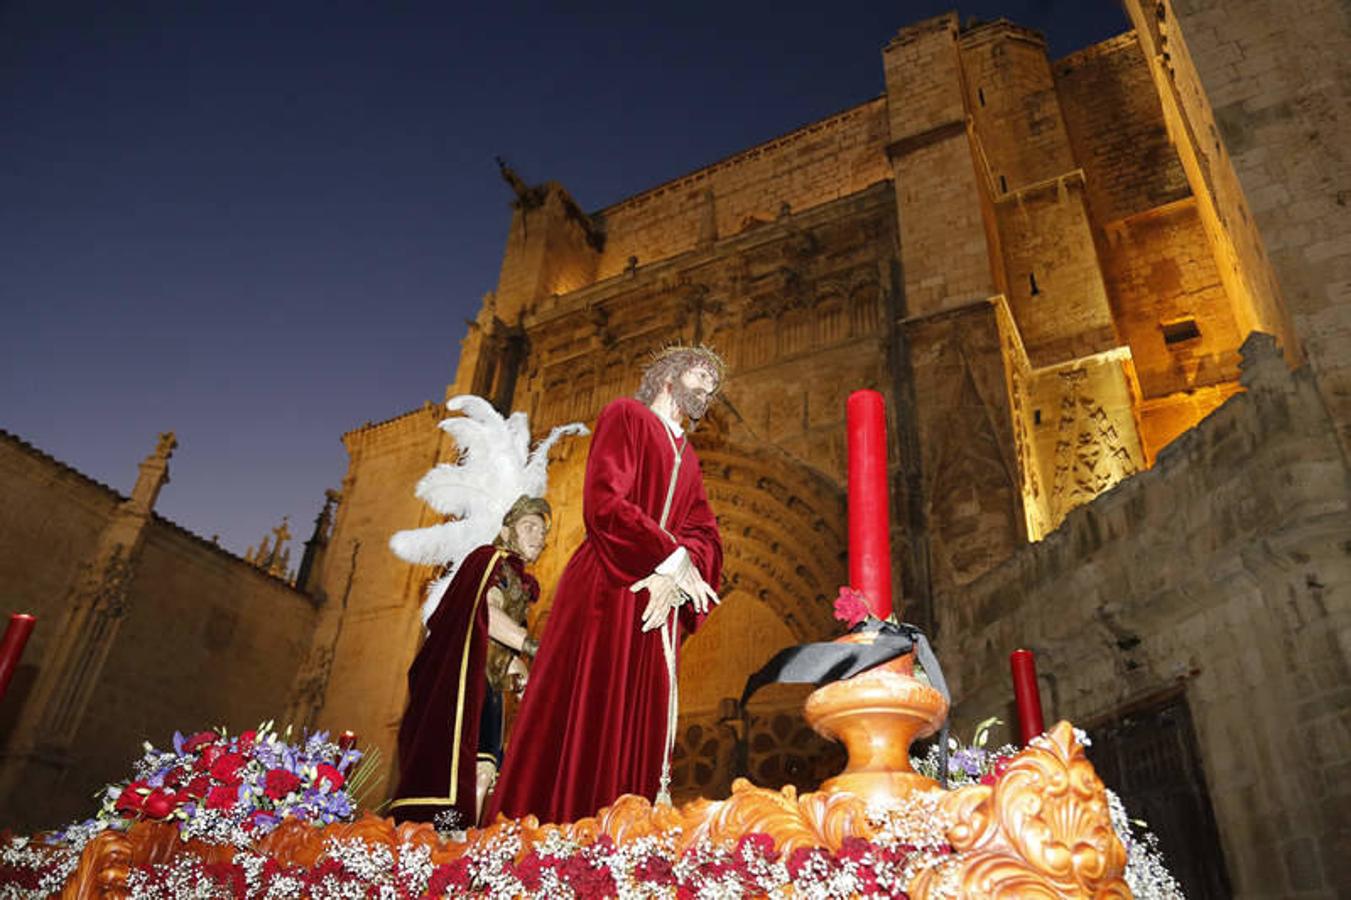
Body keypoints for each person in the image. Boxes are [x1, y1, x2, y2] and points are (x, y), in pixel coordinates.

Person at [485, 345, 725, 825]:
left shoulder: (689, 457)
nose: (708, 388)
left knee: (641, 723)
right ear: (669, 375)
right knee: (587, 711)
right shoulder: (625, 415)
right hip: (607, 585)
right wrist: (668, 558)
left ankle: (622, 843)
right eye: (701, 375)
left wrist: (677, 579)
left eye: (714, 386)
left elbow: (707, 535)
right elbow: (604, 503)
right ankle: (551, 838)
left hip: (656, 607)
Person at [390, 495, 550, 830]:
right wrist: (537, 647)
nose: (539, 536)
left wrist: (523, 676)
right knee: (471, 768)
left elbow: (499, 645)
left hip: (488, 680)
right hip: (466, 681)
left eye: (543, 530)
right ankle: (448, 836)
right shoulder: (490, 561)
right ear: (507, 531)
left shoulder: (515, 577)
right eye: (529, 526)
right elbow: (485, 615)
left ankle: (466, 840)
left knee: (485, 769)